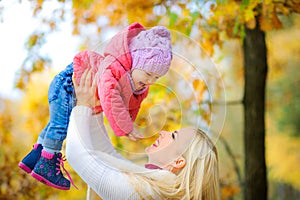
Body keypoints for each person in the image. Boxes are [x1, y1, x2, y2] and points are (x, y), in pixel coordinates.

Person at [18, 22, 173, 190]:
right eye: (148, 74)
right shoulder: (113, 69)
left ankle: (36, 156)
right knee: (60, 126)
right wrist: (125, 127)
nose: (151, 81)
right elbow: (110, 97)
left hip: (76, 93)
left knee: (55, 123)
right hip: (67, 86)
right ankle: (47, 163)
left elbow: (131, 105)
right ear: (133, 63)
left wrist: (130, 123)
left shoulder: (139, 85)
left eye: (157, 78)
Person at [65, 69, 220, 199]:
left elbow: (77, 155)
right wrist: (93, 107)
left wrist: (83, 104)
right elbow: (105, 155)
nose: (164, 133)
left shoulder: (143, 194)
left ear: (178, 162)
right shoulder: (153, 187)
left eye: (173, 136)